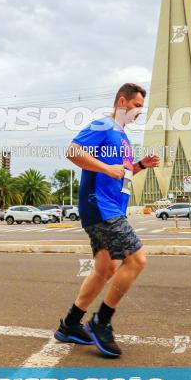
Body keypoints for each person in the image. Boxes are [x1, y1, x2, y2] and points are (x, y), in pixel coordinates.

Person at [53, 83, 160, 358]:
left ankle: (70, 324)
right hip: (99, 206)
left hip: (112, 207)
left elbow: (119, 174)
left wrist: (140, 166)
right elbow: (73, 152)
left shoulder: (122, 138)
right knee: (136, 259)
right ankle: (101, 322)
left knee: (105, 270)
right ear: (122, 102)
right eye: (136, 106)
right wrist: (105, 167)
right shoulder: (102, 125)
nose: (139, 112)